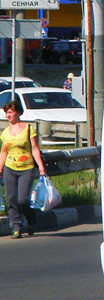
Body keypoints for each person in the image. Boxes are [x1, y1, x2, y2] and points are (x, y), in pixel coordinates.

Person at [2, 100, 47, 239]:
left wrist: (40, 167)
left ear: (18, 113)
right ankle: (16, 227)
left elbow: (34, 148)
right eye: (7, 113)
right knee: (11, 199)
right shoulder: (5, 132)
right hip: (9, 168)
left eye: (10, 112)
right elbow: (4, 151)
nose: (8, 115)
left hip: (26, 168)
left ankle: (31, 219)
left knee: (22, 200)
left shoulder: (28, 129)